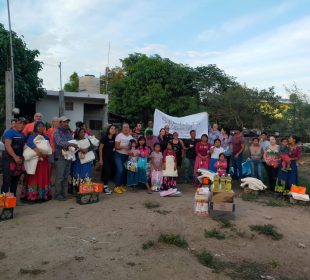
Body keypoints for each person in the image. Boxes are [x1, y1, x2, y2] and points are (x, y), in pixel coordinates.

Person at [21, 121, 52, 202]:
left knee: (43, 176)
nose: (41, 128)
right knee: (34, 176)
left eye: (42, 126)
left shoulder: (46, 137)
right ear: (35, 127)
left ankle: (43, 195)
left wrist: (45, 153)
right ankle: (32, 195)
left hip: (44, 161)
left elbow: (48, 147)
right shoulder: (31, 136)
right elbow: (30, 143)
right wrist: (38, 152)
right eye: (39, 126)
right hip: (34, 160)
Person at [53, 116, 78, 201]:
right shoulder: (57, 132)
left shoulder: (68, 132)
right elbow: (59, 142)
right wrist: (70, 144)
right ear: (60, 123)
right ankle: (57, 195)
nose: (66, 124)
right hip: (60, 157)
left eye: (67, 122)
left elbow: (72, 141)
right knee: (60, 176)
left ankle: (64, 194)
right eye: (64, 122)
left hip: (68, 156)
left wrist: (73, 144)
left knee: (65, 176)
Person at [1, 117, 27, 196]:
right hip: (8, 159)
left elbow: (23, 147)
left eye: (23, 124)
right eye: (20, 123)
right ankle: (3, 200)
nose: (22, 125)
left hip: (18, 160)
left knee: (15, 180)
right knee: (7, 180)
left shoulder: (22, 134)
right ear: (15, 123)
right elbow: (8, 146)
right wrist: (15, 157)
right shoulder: (10, 132)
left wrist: (22, 158)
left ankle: (12, 199)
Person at [69, 127, 95, 194]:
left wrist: (87, 149)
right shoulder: (73, 141)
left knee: (85, 174)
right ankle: (77, 189)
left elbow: (92, 146)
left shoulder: (87, 140)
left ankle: (85, 188)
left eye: (84, 132)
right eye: (81, 132)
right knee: (77, 174)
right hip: (77, 160)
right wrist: (80, 149)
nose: (83, 133)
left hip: (86, 160)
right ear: (77, 133)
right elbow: (71, 150)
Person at [114, 123, 133, 194]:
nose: (126, 129)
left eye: (127, 127)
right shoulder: (119, 136)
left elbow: (131, 147)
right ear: (122, 128)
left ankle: (120, 186)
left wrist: (131, 150)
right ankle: (116, 187)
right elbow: (116, 147)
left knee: (124, 171)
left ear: (129, 128)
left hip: (126, 156)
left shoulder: (130, 137)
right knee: (120, 170)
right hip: (118, 155)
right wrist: (123, 147)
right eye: (124, 127)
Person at [99, 125, 116, 195]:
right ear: (108, 129)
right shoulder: (104, 138)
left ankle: (105, 187)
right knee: (108, 171)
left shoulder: (114, 138)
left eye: (114, 129)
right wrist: (101, 159)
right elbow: (100, 149)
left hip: (111, 157)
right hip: (105, 157)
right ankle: (105, 187)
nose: (113, 130)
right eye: (111, 128)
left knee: (108, 172)